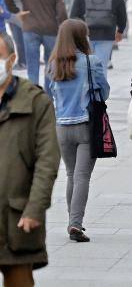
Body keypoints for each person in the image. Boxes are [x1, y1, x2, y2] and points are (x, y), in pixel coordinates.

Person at [0, 32, 60, 285]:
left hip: (16, 217)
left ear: (11, 59)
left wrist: (35, 208)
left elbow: (47, 161)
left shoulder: (36, 102)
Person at [48, 19, 109, 243]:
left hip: (61, 127)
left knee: (71, 175)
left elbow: (51, 93)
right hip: (85, 126)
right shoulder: (91, 62)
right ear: (82, 36)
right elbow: (104, 92)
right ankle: (75, 223)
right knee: (82, 176)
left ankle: (72, 220)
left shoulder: (53, 64)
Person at [3, 0, 67, 93]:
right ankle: (49, 94)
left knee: (32, 63)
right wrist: (62, 24)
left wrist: (16, 11)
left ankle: (33, 94)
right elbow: (61, 8)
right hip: (51, 28)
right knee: (50, 63)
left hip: (30, 27)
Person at [69, 0, 127, 70]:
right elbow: (121, 11)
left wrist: (74, 33)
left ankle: (89, 87)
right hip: (107, 34)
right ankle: (101, 86)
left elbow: (74, 14)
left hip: (85, 35)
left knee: (87, 68)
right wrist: (120, 30)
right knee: (101, 67)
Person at [2, 0, 30, 71]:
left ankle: (22, 62)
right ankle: (24, 61)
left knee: (20, 41)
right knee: (22, 41)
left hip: (17, 17)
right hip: (17, 17)